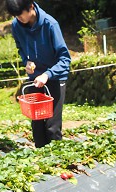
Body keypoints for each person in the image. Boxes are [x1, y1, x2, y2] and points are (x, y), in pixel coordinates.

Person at [6, 0, 71, 148]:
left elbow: (65, 59)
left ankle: (57, 159)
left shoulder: (50, 24)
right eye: (15, 16)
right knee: (37, 124)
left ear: (30, 7)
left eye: (20, 15)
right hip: (35, 79)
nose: (18, 19)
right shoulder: (16, 26)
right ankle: (42, 162)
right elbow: (20, 48)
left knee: (52, 126)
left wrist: (48, 74)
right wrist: (26, 62)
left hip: (55, 77)